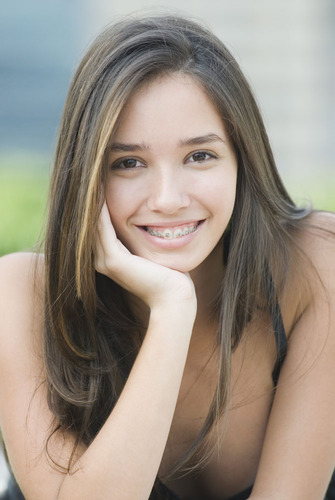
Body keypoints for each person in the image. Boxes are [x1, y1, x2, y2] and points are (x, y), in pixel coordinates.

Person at [0, 14, 334, 500]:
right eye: (128, 163)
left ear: (243, 159)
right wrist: (172, 310)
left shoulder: (316, 264)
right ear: (87, 175)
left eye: (200, 156)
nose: (167, 199)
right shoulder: (21, 294)